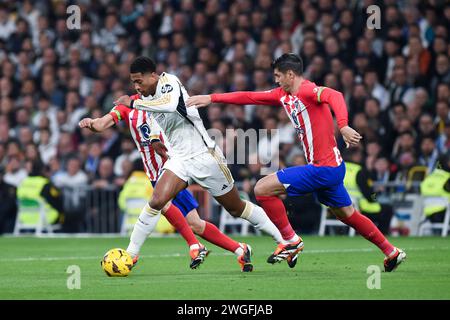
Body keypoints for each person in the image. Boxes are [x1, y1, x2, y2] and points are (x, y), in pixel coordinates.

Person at [187, 53, 406, 272]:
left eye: (278, 76)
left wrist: (343, 125)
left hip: (322, 168)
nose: (276, 80)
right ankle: (391, 251)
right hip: (332, 169)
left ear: (290, 74)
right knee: (348, 215)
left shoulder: (307, 90)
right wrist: (212, 98)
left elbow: (336, 95)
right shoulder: (284, 95)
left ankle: (290, 240)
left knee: (262, 189)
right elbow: (250, 97)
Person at [114, 56, 289, 272]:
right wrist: (155, 139)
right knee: (157, 200)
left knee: (236, 207)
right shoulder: (148, 97)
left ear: (154, 75)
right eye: (133, 83)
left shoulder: (169, 82)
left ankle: (284, 240)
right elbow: (153, 116)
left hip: (205, 156)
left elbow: (168, 105)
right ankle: (131, 255)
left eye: (139, 81)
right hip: (179, 159)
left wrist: (132, 102)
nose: (136, 87)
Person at [79, 96, 252, 272]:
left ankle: (190, 246)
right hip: (156, 172)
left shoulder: (165, 100)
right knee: (195, 224)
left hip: (174, 169)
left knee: (163, 204)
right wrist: (91, 123)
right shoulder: (126, 107)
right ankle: (240, 249)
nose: (142, 87)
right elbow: (102, 124)